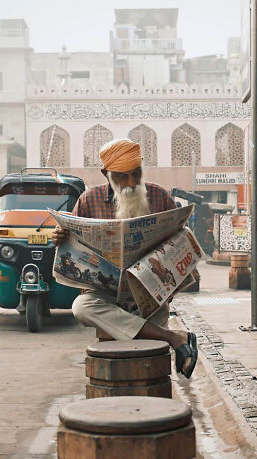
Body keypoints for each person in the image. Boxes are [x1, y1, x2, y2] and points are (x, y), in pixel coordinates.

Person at [52, 138, 199, 379]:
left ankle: (161, 341)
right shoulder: (88, 200)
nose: (130, 183)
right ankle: (175, 337)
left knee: (149, 360)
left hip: (150, 292)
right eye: (121, 176)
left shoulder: (160, 197)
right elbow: (71, 245)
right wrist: (60, 237)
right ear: (105, 173)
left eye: (136, 174)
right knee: (81, 307)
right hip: (106, 293)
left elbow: (181, 244)